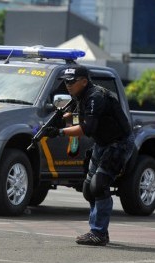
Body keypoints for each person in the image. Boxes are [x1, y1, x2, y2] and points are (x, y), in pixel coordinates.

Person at [46, 64, 134, 246]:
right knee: (88, 189)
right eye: (66, 82)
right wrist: (62, 118)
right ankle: (100, 231)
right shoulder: (81, 96)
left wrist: (60, 132)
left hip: (118, 143)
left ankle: (98, 233)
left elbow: (88, 128)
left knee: (99, 185)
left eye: (72, 82)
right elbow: (81, 117)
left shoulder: (95, 97)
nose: (68, 85)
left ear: (84, 81)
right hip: (102, 143)